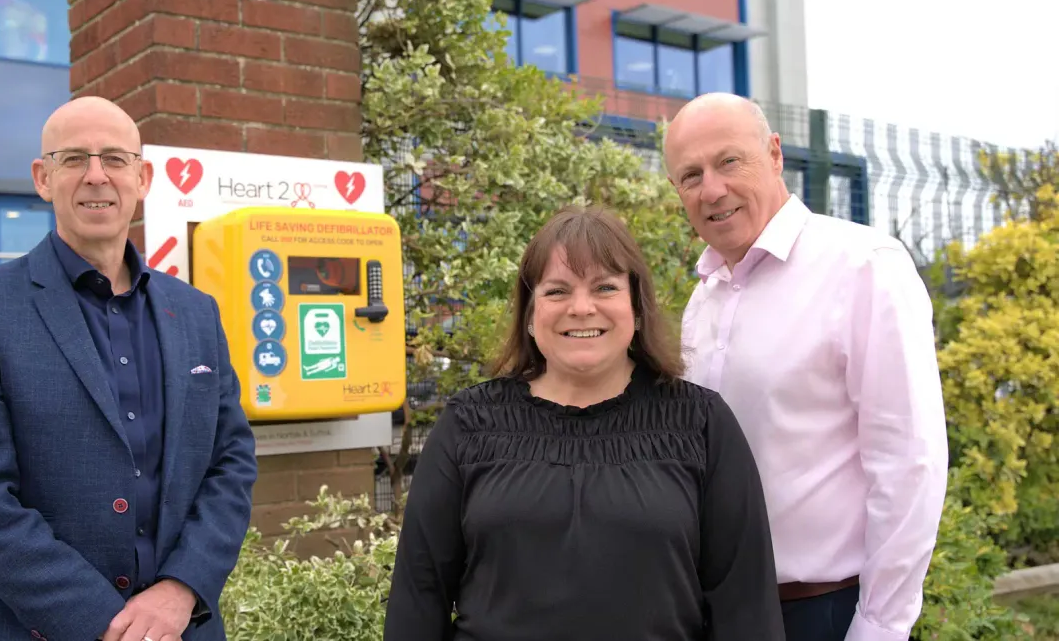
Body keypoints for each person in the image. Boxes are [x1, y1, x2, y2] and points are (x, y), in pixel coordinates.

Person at [0, 96, 259, 641]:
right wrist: (103, 621)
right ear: (43, 178)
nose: (97, 176)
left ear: (142, 178)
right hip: (32, 627)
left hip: (182, 626)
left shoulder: (196, 311)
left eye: (115, 159)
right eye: (75, 158)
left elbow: (232, 461)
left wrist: (182, 589)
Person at [383, 205, 785, 641]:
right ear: (530, 315)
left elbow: (745, 605)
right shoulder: (468, 424)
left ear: (636, 308)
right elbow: (419, 597)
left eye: (604, 287)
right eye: (557, 291)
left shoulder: (701, 424)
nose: (581, 308)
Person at [666, 92, 949, 641]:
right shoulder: (705, 298)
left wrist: (880, 627)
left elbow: (909, 461)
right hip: (724, 614)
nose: (712, 189)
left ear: (774, 154)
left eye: (729, 161)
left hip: (828, 612)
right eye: (690, 176)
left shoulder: (863, 268)